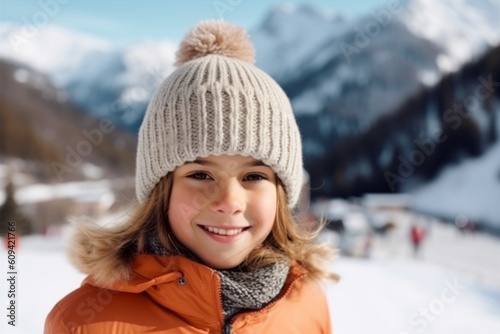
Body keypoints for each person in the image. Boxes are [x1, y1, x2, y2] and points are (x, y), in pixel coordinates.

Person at [44, 21, 338, 334]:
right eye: (200, 174)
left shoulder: (306, 304)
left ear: (281, 192)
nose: (229, 202)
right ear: (161, 191)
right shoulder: (83, 322)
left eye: (253, 176)